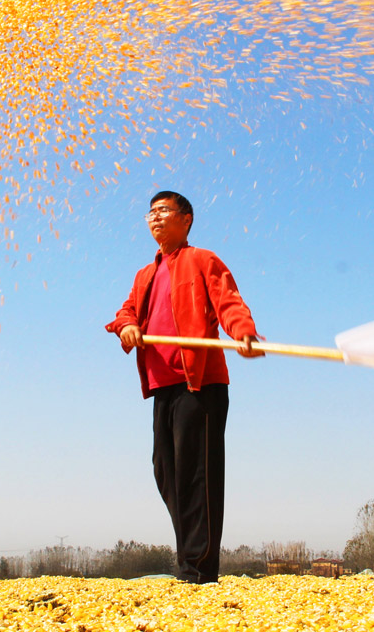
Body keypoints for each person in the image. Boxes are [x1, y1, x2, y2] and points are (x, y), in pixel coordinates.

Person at [105, 190, 263, 584]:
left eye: (164, 211)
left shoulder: (201, 260)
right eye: (150, 213)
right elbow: (127, 311)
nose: (155, 218)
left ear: (186, 218)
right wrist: (126, 326)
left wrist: (243, 332)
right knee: (167, 471)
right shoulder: (145, 274)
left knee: (199, 475)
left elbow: (228, 302)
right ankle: (192, 559)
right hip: (163, 385)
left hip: (200, 383)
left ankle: (197, 569)